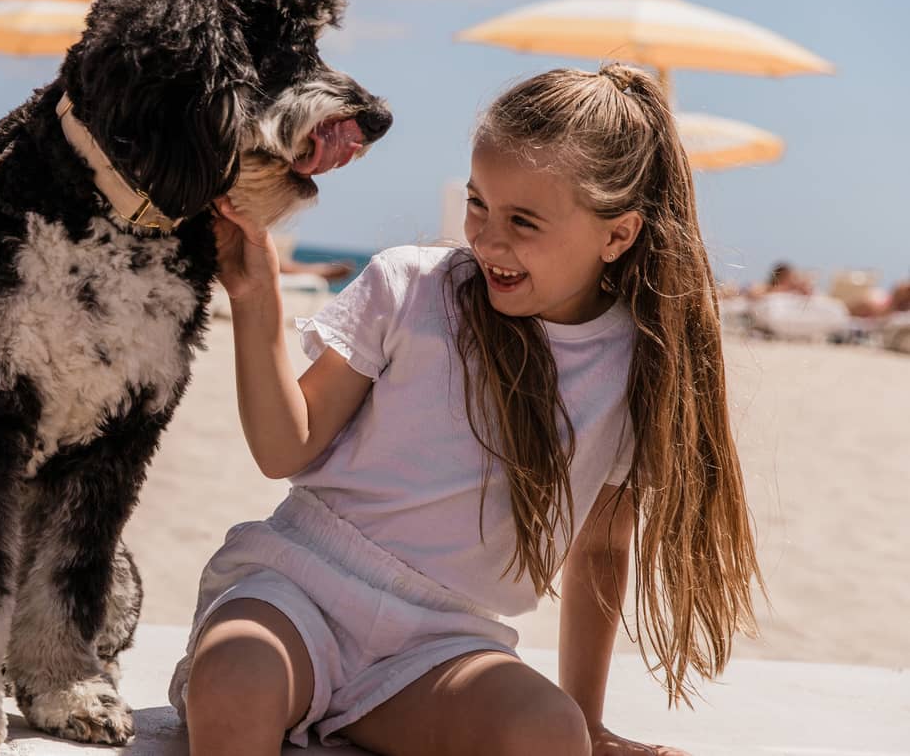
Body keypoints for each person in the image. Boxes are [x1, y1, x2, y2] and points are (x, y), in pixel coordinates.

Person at [175, 64, 762, 756]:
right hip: (296, 590)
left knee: (549, 733)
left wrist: (588, 722)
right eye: (478, 203)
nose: (487, 239)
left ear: (618, 234)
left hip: (439, 646)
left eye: (524, 221)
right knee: (235, 680)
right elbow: (286, 449)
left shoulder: (634, 367)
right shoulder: (411, 287)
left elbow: (601, 548)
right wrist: (255, 302)